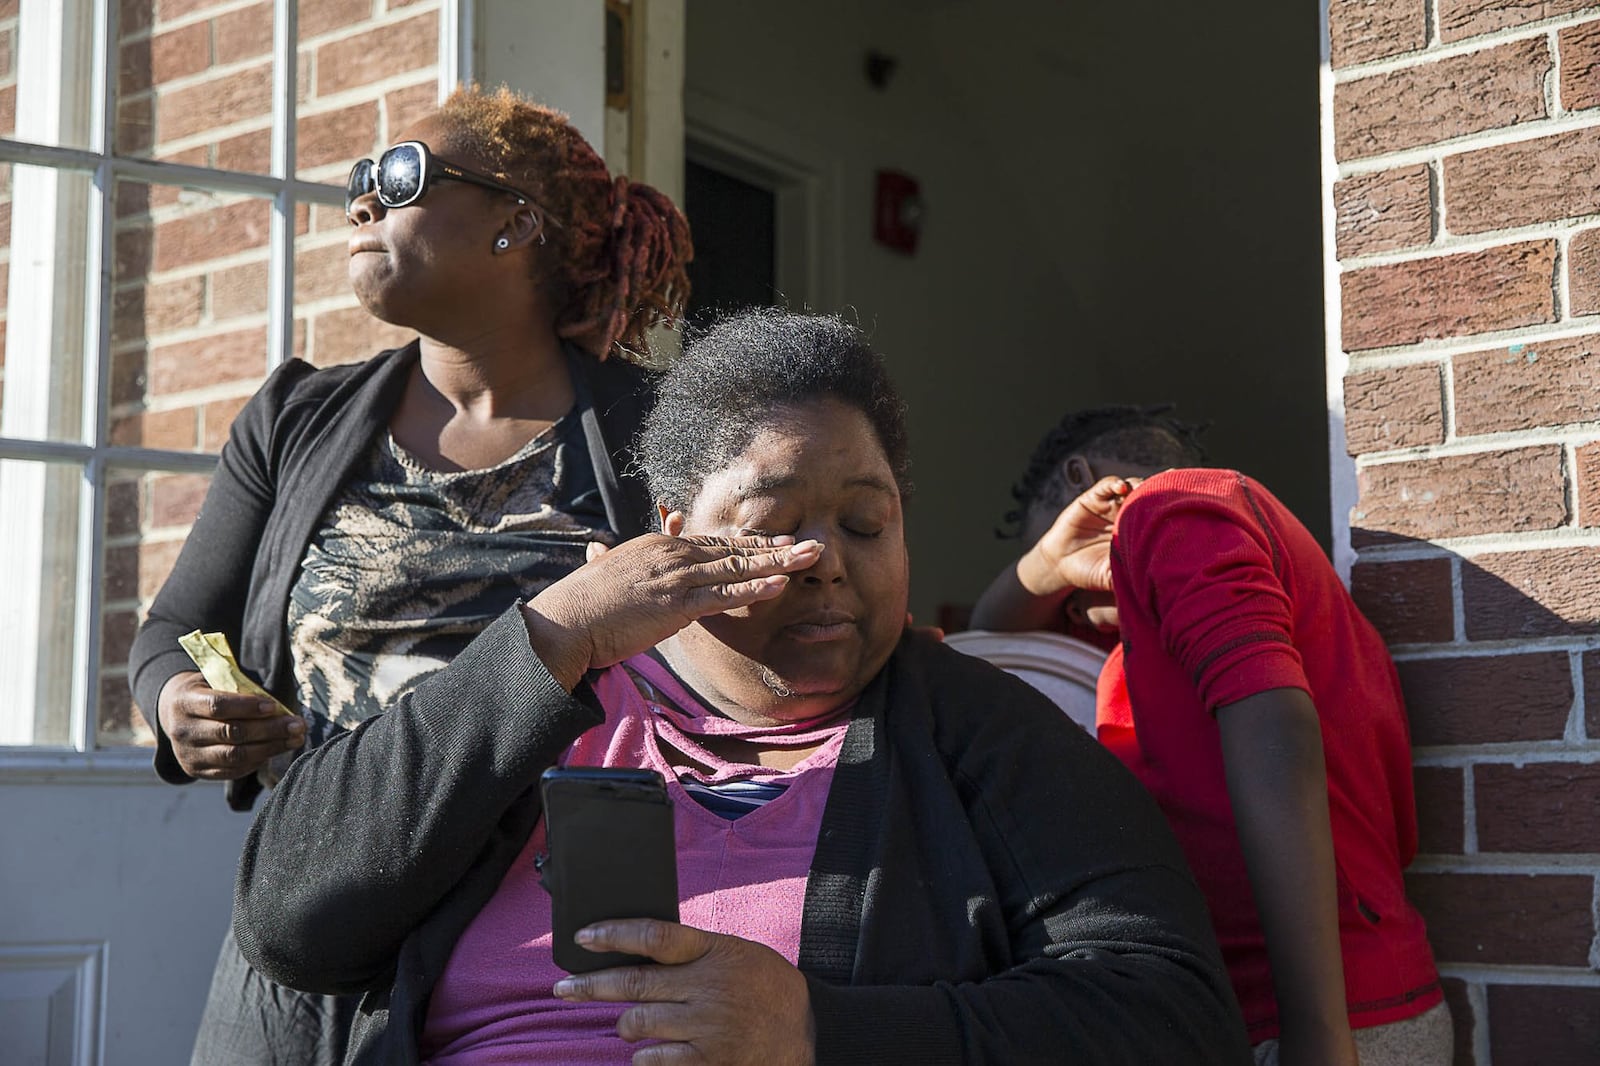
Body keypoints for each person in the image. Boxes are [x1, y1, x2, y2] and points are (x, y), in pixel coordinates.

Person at [232, 309, 1252, 1065]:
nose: (826, 559)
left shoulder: (976, 732)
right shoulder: (549, 688)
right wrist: (546, 637)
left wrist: (818, 1027)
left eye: (866, 522)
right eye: (775, 523)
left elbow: (1169, 1012)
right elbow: (286, 916)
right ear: (672, 533)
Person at [127, 86, 691, 1065]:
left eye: (398, 177)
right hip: (310, 925)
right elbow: (181, 623)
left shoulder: (660, 434)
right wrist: (183, 695)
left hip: (548, 940)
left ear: (517, 222)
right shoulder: (296, 419)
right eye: (359, 181)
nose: (360, 203)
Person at [973, 410, 1449, 1066]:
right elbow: (995, 636)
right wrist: (1051, 561)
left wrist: (1316, 1036)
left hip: (1320, 1024)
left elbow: (1274, 729)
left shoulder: (1173, 510)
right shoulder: (1152, 630)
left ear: (1082, 481)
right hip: (1290, 1012)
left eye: (1068, 593)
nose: (1070, 607)